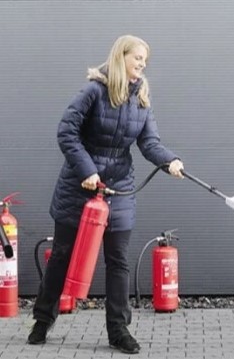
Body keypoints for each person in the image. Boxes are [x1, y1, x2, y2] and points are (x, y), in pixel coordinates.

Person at [28, 35, 184, 354]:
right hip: (79, 186)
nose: (141, 64)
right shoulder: (94, 91)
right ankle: (43, 320)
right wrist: (87, 170)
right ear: (120, 56)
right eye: (136, 57)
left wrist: (170, 160)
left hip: (119, 189)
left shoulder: (140, 97)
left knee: (118, 261)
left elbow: (149, 142)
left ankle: (118, 330)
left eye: (145, 60)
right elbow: (66, 132)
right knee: (61, 256)